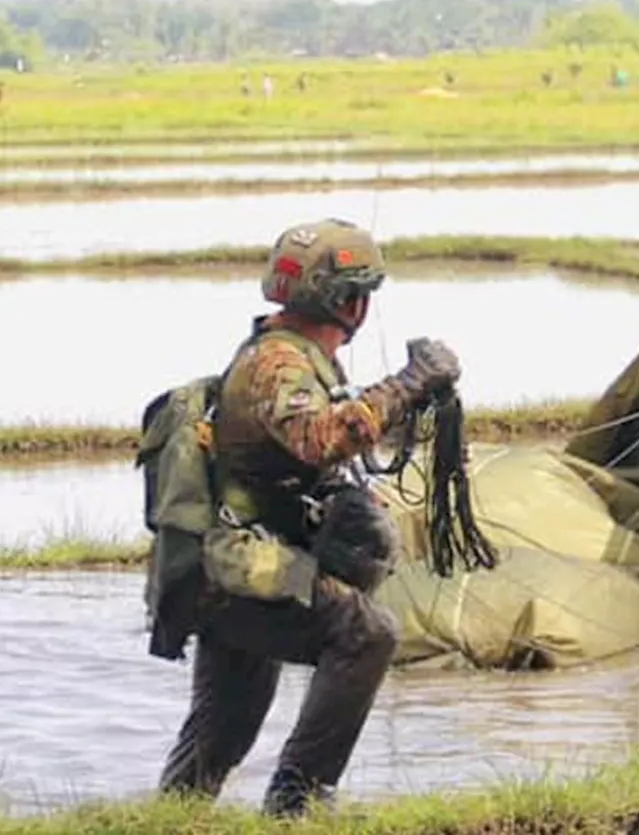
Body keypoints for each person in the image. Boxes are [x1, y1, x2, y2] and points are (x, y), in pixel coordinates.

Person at [157, 218, 461, 816]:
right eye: (363, 293)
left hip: (234, 565)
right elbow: (319, 437)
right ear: (347, 301)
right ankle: (298, 801)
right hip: (239, 568)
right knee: (365, 633)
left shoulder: (293, 355)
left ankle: (169, 820)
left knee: (225, 725)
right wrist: (411, 383)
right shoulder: (280, 364)